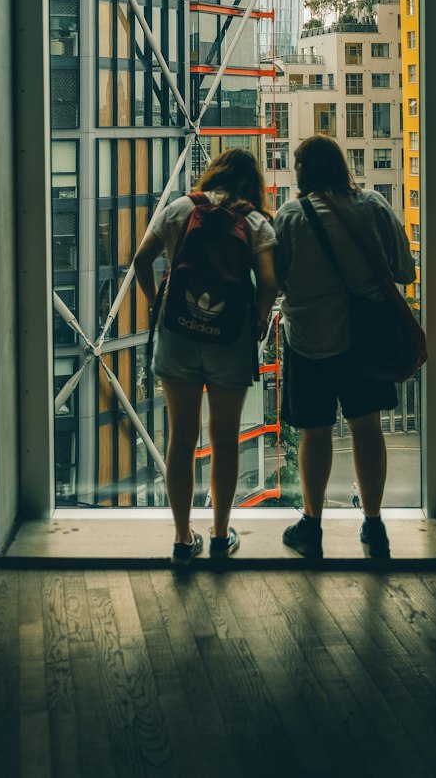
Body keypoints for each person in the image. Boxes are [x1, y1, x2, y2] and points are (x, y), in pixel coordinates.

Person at [273, 134, 416, 560]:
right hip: (365, 341)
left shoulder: (290, 217)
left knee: (314, 433)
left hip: (309, 341)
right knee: (367, 429)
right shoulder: (372, 206)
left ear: (302, 172)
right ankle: (374, 527)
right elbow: (405, 270)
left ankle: (311, 527)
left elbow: (275, 282)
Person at [132, 148, 277, 565]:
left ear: (214, 173)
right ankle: (218, 535)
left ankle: (182, 539)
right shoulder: (253, 222)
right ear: (253, 185)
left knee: (181, 438)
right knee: (225, 438)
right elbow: (268, 281)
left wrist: (154, 305)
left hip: (178, 333)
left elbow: (142, 259)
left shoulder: (181, 207)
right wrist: (260, 318)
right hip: (229, 339)